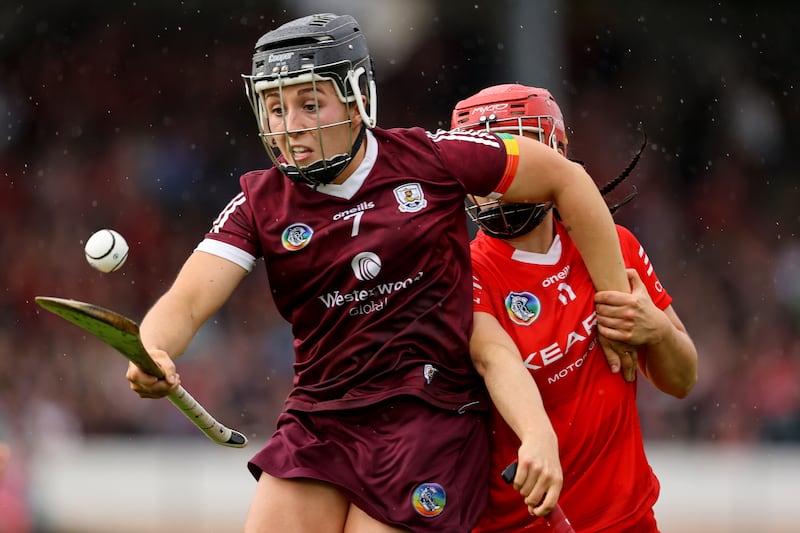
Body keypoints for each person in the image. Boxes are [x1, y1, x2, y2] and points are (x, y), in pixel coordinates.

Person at [125, 14, 633, 533]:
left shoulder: (431, 159)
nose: (291, 125)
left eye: (309, 103)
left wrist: (615, 297)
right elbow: (187, 299)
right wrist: (154, 347)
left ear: (356, 99)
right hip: (321, 418)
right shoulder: (260, 203)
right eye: (276, 108)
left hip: (429, 418)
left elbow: (566, 180)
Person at [452, 83, 699, 532]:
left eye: (510, 161)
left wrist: (657, 332)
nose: (497, 182)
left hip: (630, 522)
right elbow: (492, 359)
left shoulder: (612, 248)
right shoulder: (463, 272)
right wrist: (537, 432)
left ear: (553, 156)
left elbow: (683, 380)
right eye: (482, 163)